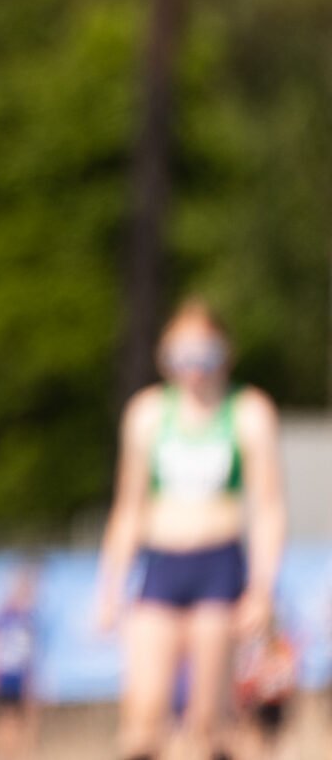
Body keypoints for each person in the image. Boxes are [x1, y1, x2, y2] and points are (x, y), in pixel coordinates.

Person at [93, 300, 286, 760]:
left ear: (225, 354)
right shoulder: (147, 414)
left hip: (217, 568)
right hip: (161, 566)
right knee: (142, 720)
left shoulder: (249, 412)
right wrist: (110, 587)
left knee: (208, 721)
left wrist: (262, 589)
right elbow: (128, 508)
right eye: (183, 356)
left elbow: (268, 507)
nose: (195, 369)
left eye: (206, 355)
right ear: (165, 358)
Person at [0, 562, 42, 760]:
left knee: (23, 722)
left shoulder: (29, 619)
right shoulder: (1, 616)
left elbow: (30, 654)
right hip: (2, 677)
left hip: (20, 678)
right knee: (1, 723)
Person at [231, 617, 297, 760]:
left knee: (272, 738)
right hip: (254, 700)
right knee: (252, 735)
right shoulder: (253, 644)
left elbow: (287, 674)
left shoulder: (281, 645)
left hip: (273, 702)